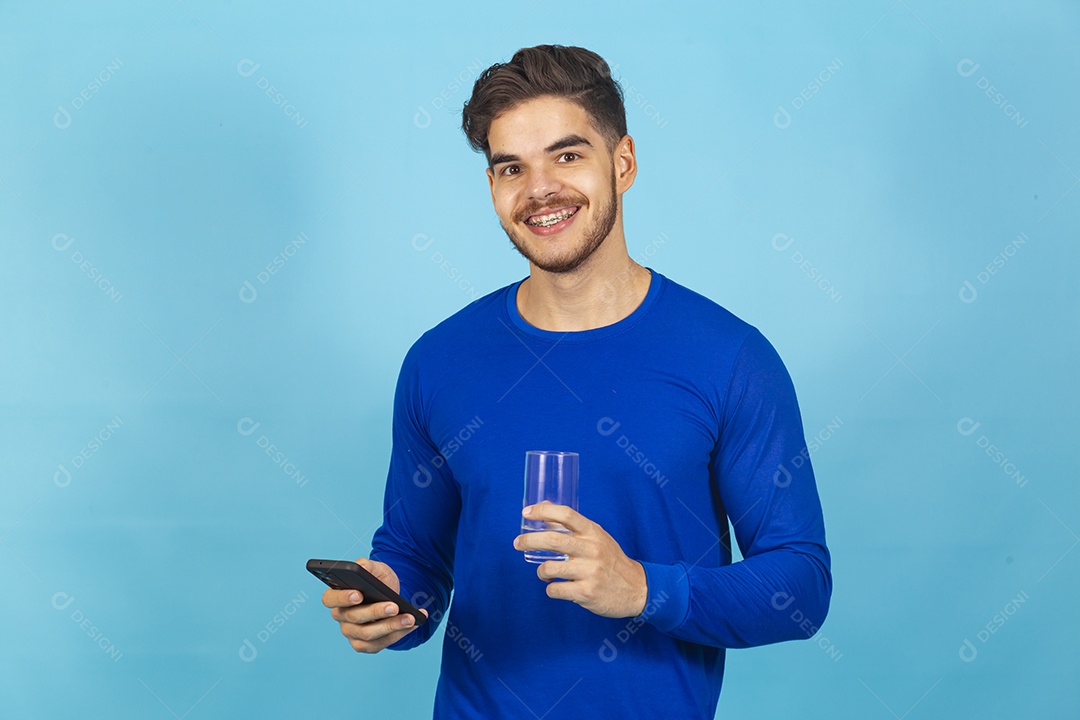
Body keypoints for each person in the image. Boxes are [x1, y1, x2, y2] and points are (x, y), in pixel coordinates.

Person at [322, 44, 832, 718]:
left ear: (622, 162)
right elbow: (414, 557)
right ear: (493, 187)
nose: (539, 190)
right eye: (512, 167)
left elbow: (801, 587)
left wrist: (643, 590)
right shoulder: (439, 361)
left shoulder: (729, 358)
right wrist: (390, 604)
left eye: (567, 155)